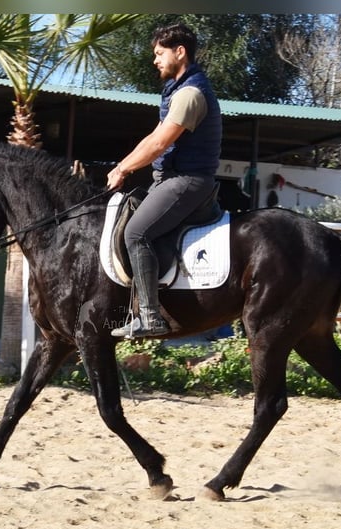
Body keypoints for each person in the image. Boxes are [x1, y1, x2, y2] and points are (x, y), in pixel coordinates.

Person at [107, 23, 222, 338]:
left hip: (187, 180)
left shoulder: (190, 94)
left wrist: (123, 170)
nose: (155, 60)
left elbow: (159, 144)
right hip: (171, 178)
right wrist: (125, 164)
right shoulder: (177, 91)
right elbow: (153, 138)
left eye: (160, 54)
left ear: (180, 52)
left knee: (135, 233)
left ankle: (150, 317)